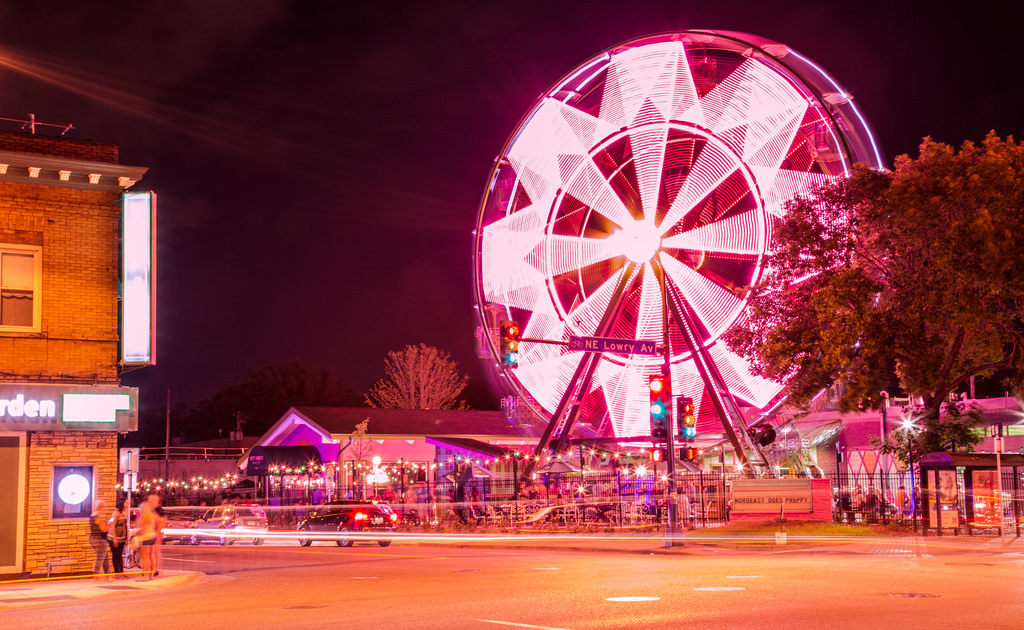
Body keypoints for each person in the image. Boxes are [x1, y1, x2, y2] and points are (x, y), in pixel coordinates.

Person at [136, 500, 158, 580]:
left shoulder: (144, 516)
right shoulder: (152, 515)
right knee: (152, 556)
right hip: (152, 536)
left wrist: (135, 533)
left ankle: (145, 576)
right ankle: (151, 575)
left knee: (145, 557)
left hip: (145, 537)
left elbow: (142, 529)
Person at [89, 499, 111, 579]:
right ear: (101, 507)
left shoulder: (92, 515)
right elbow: (104, 530)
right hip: (100, 540)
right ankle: (96, 576)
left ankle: (108, 576)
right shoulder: (99, 517)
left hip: (93, 538)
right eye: (105, 507)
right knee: (100, 558)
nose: (105, 509)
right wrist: (109, 524)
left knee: (105, 557)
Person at [107, 499, 129, 577]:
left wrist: (127, 535)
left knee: (120, 555)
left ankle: (121, 572)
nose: (128, 503)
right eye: (126, 502)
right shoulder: (116, 513)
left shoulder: (124, 513)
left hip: (122, 537)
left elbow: (125, 525)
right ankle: (117, 573)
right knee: (115, 555)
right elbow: (112, 525)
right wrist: (115, 538)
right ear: (122, 503)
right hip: (114, 537)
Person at [149, 494, 167, 578]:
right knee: (151, 552)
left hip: (156, 533)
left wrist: (156, 532)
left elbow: (161, 523)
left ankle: (156, 569)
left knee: (155, 551)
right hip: (151, 533)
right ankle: (152, 568)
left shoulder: (159, 512)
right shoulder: (151, 511)